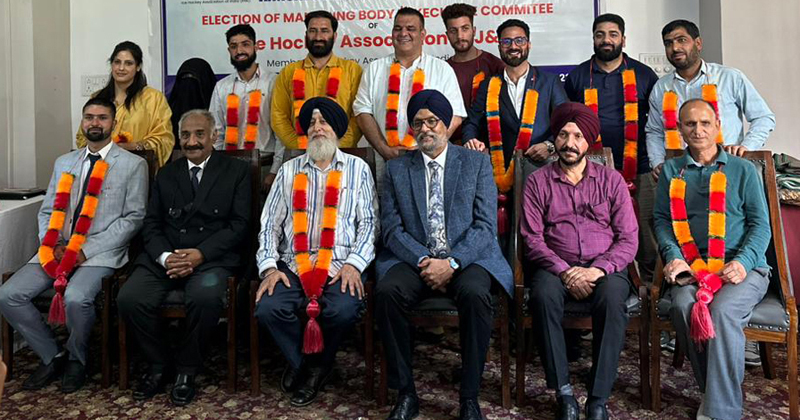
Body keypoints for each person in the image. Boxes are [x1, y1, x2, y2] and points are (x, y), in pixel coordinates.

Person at [375, 89, 513, 420]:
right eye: (418, 123)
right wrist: (425, 261)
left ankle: (469, 396)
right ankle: (406, 393)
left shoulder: (476, 163)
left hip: (467, 257)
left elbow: (484, 227)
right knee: (386, 292)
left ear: (446, 123)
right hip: (415, 258)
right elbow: (392, 230)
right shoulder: (397, 169)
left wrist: (452, 262)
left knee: (477, 294)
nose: (425, 129)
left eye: (432, 121)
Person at [0, 97, 147, 393]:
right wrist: (51, 242)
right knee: (8, 294)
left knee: (76, 298)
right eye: (89, 117)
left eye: (102, 117)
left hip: (100, 253)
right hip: (56, 248)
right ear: (82, 122)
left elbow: (133, 218)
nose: (95, 122)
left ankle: (78, 358)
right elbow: (46, 211)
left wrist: (84, 250)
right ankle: (52, 355)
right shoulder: (64, 162)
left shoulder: (133, 164)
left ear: (114, 124)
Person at [116, 109, 251, 406]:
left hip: (211, 259)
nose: (192, 141)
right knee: (129, 298)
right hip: (167, 257)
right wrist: (166, 257)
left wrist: (200, 255)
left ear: (214, 136)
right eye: (186, 135)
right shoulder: (167, 173)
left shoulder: (236, 172)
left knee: (205, 298)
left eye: (200, 134)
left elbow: (240, 225)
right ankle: (159, 363)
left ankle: (187, 370)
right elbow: (151, 224)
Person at [255, 97, 378, 407]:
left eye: (323, 122)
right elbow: (269, 225)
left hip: (341, 263)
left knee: (343, 310)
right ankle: (307, 364)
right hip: (293, 264)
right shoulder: (287, 171)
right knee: (268, 308)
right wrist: (270, 268)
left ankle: (314, 365)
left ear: (336, 129)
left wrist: (354, 265)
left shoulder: (357, 169)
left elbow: (370, 225)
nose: (317, 128)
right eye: (311, 123)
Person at [654, 99, 771, 420]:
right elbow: (662, 221)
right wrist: (674, 257)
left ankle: (722, 411)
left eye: (705, 123)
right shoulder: (671, 171)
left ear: (718, 126)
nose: (699, 130)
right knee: (683, 306)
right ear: (679, 130)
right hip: (692, 267)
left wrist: (744, 262)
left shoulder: (743, 169)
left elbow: (762, 226)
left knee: (719, 311)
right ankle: (712, 391)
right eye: (690, 124)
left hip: (742, 269)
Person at [520, 102, 638, 420]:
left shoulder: (611, 181)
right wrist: (566, 271)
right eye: (562, 135)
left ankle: (598, 398)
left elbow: (628, 239)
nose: (569, 143)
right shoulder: (537, 182)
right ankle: (564, 393)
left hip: (605, 266)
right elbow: (532, 238)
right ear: (555, 140)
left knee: (614, 300)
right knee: (543, 297)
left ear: (589, 141)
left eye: (577, 136)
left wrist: (597, 270)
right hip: (555, 265)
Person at [564, 13, 659, 282]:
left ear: (623, 39)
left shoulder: (643, 75)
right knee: (597, 231)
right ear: (593, 39)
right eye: (600, 34)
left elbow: (658, 122)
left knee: (646, 233)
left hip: (639, 168)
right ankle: (606, 283)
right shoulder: (579, 76)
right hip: (591, 172)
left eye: (613, 34)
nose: (606, 40)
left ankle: (649, 293)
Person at [645, 19, 775, 178]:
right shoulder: (661, 87)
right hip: (681, 173)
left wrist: (746, 147)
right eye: (668, 43)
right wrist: (658, 161)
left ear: (698, 43)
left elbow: (763, 117)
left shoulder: (729, 77)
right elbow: (654, 130)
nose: (675, 48)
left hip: (728, 167)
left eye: (682, 40)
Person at [353, 7, 466, 174]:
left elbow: (455, 116)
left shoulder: (442, 69)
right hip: (384, 161)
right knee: (386, 199)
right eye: (398, 28)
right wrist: (383, 149)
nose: (403, 33)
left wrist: (429, 147)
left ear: (423, 34)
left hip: (429, 160)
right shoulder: (374, 69)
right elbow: (362, 112)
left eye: (411, 29)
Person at [463, 19, 568, 167]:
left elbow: (566, 121)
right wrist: (471, 140)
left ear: (529, 44)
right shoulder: (488, 85)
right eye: (506, 41)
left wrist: (549, 145)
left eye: (519, 40)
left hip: (543, 167)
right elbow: (471, 122)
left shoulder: (549, 82)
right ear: (499, 46)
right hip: (500, 170)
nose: (513, 46)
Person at [271, 10, 363, 150]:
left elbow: (358, 116)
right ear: (306, 35)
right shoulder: (288, 72)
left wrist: (337, 145)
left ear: (335, 35)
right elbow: (278, 116)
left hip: (343, 154)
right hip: (299, 155)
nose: (318, 36)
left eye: (324, 31)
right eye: (312, 31)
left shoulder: (352, 70)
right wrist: (300, 146)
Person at [75, 41, 174, 167]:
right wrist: (104, 147)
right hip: (99, 166)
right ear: (111, 65)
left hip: (136, 165)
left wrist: (132, 146)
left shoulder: (153, 98)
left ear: (138, 67)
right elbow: (82, 137)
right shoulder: (97, 98)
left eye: (128, 63)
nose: (121, 68)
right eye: (117, 62)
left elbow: (164, 139)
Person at [209, 24, 283, 185]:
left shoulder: (274, 82)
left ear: (256, 47)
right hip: (230, 167)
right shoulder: (222, 86)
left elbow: (281, 133)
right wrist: (220, 168)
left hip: (265, 166)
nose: (239, 51)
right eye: (234, 46)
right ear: (229, 51)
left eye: (245, 44)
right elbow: (217, 133)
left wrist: (274, 171)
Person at [441, 3, 505, 143]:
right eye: (453, 30)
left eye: (465, 29)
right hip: (451, 146)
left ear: (474, 30)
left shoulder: (495, 65)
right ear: (447, 34)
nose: (460, 36)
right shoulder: (443, 70)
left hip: (490, 147)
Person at [167, 57, 218, 149]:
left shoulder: (217, 108)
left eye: (194, 79)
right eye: (185, 78)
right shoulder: (167, 115)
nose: (189, 87)